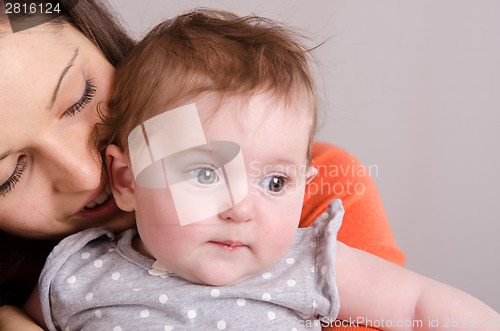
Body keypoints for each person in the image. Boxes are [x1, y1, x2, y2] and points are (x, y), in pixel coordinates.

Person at [23, 9, 499, 330]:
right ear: (128, 180)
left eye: (275, 182)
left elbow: (419, 305)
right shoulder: (76, 272)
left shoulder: (305, 262)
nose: (241, 209)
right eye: (205, 175)